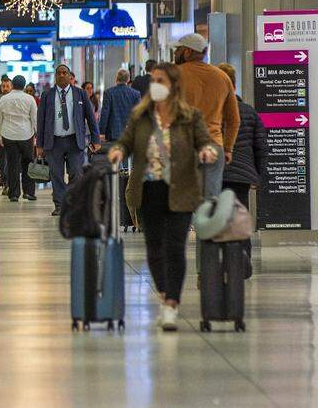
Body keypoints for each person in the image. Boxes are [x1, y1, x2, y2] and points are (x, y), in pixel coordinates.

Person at [107, 62, 219, 331]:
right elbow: (126, 140)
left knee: (175, 247)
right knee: (154, 248)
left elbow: (204, 140)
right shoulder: (141, 116)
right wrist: (119, 151)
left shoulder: (190, 116)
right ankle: (165, 292)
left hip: (181, 190)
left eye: (161, 80)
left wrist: (207, 151)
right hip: (148, 190)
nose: (155, 84)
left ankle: (171, 303)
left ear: (173, 86)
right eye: (153, 79)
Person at [173, 33, 239, 198]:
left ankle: (188, 224)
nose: (175, 54)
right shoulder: (223, 77)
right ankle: (207, 223)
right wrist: (228, 148)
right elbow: (234, 119)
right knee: (210, 201)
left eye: (178, 50)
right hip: (213, 145)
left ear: (187, 52)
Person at [217, 62, 268, 270]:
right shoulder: (249, 112)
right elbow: (261, 147)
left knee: (217, 218)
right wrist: (259, 176)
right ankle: (244, 259)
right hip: (242, 175)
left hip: (216, 173)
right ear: (235, 85)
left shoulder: (211, 112)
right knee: (240, 215)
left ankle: (220, 261)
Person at [36, 64, 100, 216]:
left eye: (65, 73)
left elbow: (90, 117)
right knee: (56, 174)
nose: (62, 75)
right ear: (55, 76)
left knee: (76, 173)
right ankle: (59, 205)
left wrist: (95, 138)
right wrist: (39, 144)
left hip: (74, 140)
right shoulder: (47, 95)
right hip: (54, 141)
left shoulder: (80, 94)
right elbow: (41, 120)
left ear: (70, 76)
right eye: (59, 73)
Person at [0, 74, 39, 202]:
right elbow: (34, 119)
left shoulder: (4, 99)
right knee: (28, 164)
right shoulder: (30, 99)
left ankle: (14, 194)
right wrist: (36, 135)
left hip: (9, 135)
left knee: (12, 165)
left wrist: (0, 135)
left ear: (13, 85)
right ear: (24, 86)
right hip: (26, 136)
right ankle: (29, 193)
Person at [98, 69, 142, 144]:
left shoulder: (109, 93)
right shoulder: (136, 94)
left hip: (112, 133)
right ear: (128, 79)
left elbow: (105, 114)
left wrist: (101, 132)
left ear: (117, 78)